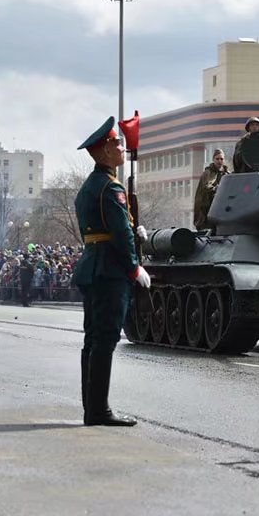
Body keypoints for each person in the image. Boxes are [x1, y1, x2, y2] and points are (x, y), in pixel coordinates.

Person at [72, 116, 150, 427]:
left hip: (94, 265)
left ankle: (92, 408)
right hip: (110, 270)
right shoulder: (110, 187)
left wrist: (134, 229)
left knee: (93, 339)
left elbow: (103, 229)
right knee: (105, 340)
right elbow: (118, 233)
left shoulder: (89, 187)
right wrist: (134, 268)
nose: (120, 147)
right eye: (115, 143)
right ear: (103, 152)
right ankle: (98, 411)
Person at [193, 149, 228, 231]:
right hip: (207, 209)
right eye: (217, 159)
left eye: (221, 159)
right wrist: (217, 188)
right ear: (213, 159)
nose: (219, 161)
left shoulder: (226, 174)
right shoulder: (208, 173)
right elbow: (207, 187)